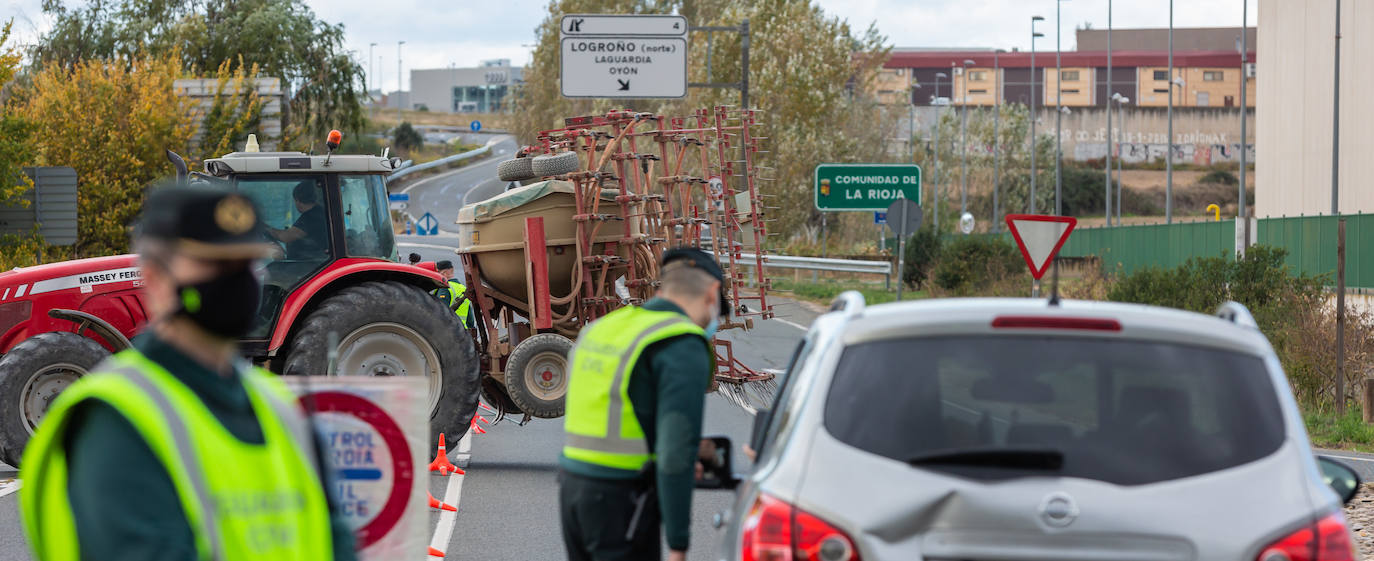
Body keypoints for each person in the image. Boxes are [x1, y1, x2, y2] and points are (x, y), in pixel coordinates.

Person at [20, 187, 356, 561]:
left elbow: (335, 543)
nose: (237, 283)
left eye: (245, 265)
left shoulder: (280, 410)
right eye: (214, 266)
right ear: (156, 279)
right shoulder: (117, 421)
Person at [560, 247, 728, 561]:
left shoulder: (602, 329)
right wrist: (679, 544)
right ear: (713, 292)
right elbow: (675, 453)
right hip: (622, 502)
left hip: (572, 490)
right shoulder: (681, 342)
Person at [265, 181, 328, 259]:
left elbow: (285, 237)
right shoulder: (318, 213)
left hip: (309, 265)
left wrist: (263, 227)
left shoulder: (311, 217)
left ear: (297, 200)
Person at [433, 260, 472, 328]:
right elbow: (470, 320)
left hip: (448, 329)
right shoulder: (464, 289)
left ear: (443, 273)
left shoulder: (445, 288)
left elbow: (441, 313)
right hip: (462, 331)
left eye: (438, 272)